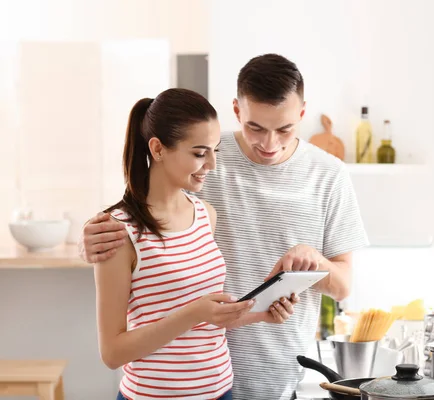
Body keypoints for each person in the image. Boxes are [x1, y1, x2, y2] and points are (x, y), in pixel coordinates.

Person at [81, 54, 369, 400]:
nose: (269, 143)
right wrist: (91, 237)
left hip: (269, 381)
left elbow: (343, 286)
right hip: (186, 383)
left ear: (303, 114)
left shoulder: (329, 175)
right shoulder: (201, 156)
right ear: (237, 110)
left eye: (284, 129)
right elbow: (145, 213)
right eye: (256, 127)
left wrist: (312, 262)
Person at [94, 88, 296, 400]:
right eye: (200, 153)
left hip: (220, 391)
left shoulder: (205, 215)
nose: (212, 165)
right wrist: (193, 313)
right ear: (158, 149)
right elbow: (112, 353)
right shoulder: (118, 231)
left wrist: (262, 311)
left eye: (216, 151)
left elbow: (207, 318)